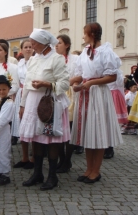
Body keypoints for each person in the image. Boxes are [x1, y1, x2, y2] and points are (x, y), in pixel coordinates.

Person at [70, 22, 123, 183]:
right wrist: (73, 82)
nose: (82, 36)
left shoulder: (105, 52)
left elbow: (112, 76)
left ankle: (96, 170)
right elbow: (81, 74)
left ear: (92, 35)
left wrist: (90, 83)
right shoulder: (85, 52)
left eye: (84, 33)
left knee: (97, 132)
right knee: (87, 132)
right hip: (85, 95)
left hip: (98, 95)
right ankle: (88, 168)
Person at [20, 29, 70, 191]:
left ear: (42, 42)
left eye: (33, 42)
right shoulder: (34, 59)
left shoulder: (57, 59)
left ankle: (52, 176)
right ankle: (37, 173)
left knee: (51, 140)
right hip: (33, 102)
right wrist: (22, 104)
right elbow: (27, 84)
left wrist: (47, 84)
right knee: (36, 137)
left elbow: (64, 84)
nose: (31, 45)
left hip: (50, 102)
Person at [54, 34, 79, 173]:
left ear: (67, 45)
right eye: (55, 43)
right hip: (57, 94)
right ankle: (61, 158)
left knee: (68, 128)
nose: (56, 45)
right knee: (58, 129)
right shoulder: (54, 59)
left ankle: (67, 160)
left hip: (71, 95)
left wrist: (72, 81)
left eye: (59, 43)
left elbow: (81, 74)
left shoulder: (75, 59)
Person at [12, 39, 35, 169]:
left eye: (30, 47)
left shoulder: (36, 61)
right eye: (25, 47)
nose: (28, 49)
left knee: (31, 125)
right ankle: (24, 157)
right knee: (22, 126)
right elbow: (13, 78)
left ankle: (33, 158)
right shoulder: (19, 63)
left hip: (32, 93)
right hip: (20, 94)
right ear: (21, 49)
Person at [104, 70, 128, 159]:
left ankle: (109, 147)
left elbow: (119, 82)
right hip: (102, 93)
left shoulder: (116, 70)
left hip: (113, 94)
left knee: (111, 123)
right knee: (102, 122)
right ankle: (104, 146)